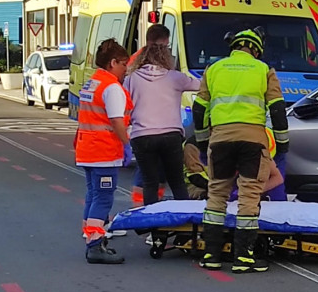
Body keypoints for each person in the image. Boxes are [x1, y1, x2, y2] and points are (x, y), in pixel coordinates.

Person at [192, 27, 289, 274]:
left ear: (234, 46)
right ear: (255, 49)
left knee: (216, 195)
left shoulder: (213, 69)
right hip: (253, 142)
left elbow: (200, 109)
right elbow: (277, 109)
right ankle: (243, 258)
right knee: (249, 197)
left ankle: (211, 255)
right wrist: (283, 142)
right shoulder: (264, 70)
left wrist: (203, 144)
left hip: (221, 140)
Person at [123, 36, 200, 206]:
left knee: (149, 183)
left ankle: (152, 227)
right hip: (170, 135)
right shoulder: (175, 77)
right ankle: (183, 220)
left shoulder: (131, 79)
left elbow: (125, 106)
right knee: (177, 182)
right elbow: (201, 86)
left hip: (142, 136)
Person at [75, 39, 132, 264]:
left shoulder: (93, 82)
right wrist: (126, 143)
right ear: (113, 62)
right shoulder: (111, 88)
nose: (126, 69)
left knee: (93, 195)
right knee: (104, 198)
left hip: (87, 149)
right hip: (104, 151)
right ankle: (95, 245)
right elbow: (117, 121)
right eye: (124, 64)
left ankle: (91, 238)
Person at [128, 24, 173, 204]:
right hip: (158, 129)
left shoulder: (135, 61)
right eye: (166, 44)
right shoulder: (163, 63)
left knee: (151, 174)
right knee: (150, 174)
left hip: (142, 130)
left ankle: (146, 215)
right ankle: (144, 216)